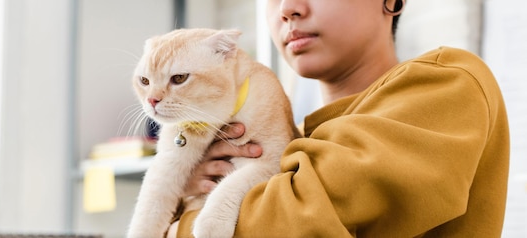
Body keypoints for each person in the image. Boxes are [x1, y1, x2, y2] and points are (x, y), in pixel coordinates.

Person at [169, 0, 510, 237]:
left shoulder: (447, 83)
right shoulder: (292, 143)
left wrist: (177, 229)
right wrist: (185, 191)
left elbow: (301, 225)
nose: (288, 9)